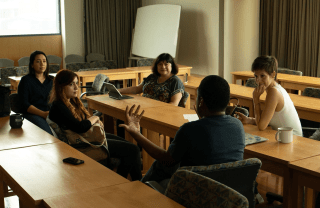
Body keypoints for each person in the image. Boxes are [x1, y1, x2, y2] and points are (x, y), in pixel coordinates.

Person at [119, 75, 246, 187]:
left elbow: (167, 160)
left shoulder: (189, 130)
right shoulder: (238, 126)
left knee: (160, 168)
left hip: (194, 193)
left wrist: (136, 132)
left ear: (200, 101)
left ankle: (137, 194)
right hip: (228, 193)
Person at [49, 69, 142, 181]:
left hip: (86, 137)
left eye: (76, 83)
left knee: (130, 146)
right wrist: (95, 118)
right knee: (133, 150)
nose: (76, 87)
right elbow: (80, 127)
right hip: (83, 143)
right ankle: (123, 183)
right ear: (61, 86)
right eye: (71, 84)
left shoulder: (68, 101)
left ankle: (133, 183)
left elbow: (80, 125)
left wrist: (94, 121)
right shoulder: (59, 106)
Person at [236, 56, 303, 136]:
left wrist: (256, 99)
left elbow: (261, 126)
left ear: (273, 74)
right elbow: (266, 120)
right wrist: (250, 120)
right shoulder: (275, 88)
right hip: (283, 137)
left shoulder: (273, 92)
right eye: (256, 76)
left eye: (262, 76)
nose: (258, 80)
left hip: (292, 140)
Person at [118, 53, 184, 106]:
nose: (163, 67)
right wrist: (119, 90)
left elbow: (173, 104)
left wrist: (153, 109)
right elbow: (137, 89)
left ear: (172, 66)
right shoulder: (152, 76)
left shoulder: (175, 81)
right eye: (160, 64)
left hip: (159, 112)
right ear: (156, 66)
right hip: (143, 106)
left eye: (166, 64)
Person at [18, 50, 53, 135]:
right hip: (33, 114)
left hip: (50, 114)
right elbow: (24, 104)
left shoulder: (52, 80)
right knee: (49, 135)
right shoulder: (26, 80)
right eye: (38, 61)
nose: (42, 64)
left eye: (44, 61)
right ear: (32, 65)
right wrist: (43, 114)